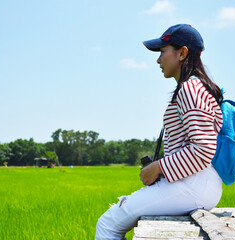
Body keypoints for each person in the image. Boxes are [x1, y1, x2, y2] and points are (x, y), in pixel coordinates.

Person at [96, 24, 224, 240]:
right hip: (195, 181)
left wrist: (158, 167)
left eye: (163, 52)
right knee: (112, 220)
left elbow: (203, 149)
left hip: (194, 182)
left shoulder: (190, 89)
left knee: (108, 223)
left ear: (182, 53)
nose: (158, 60)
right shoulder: (195, 87)